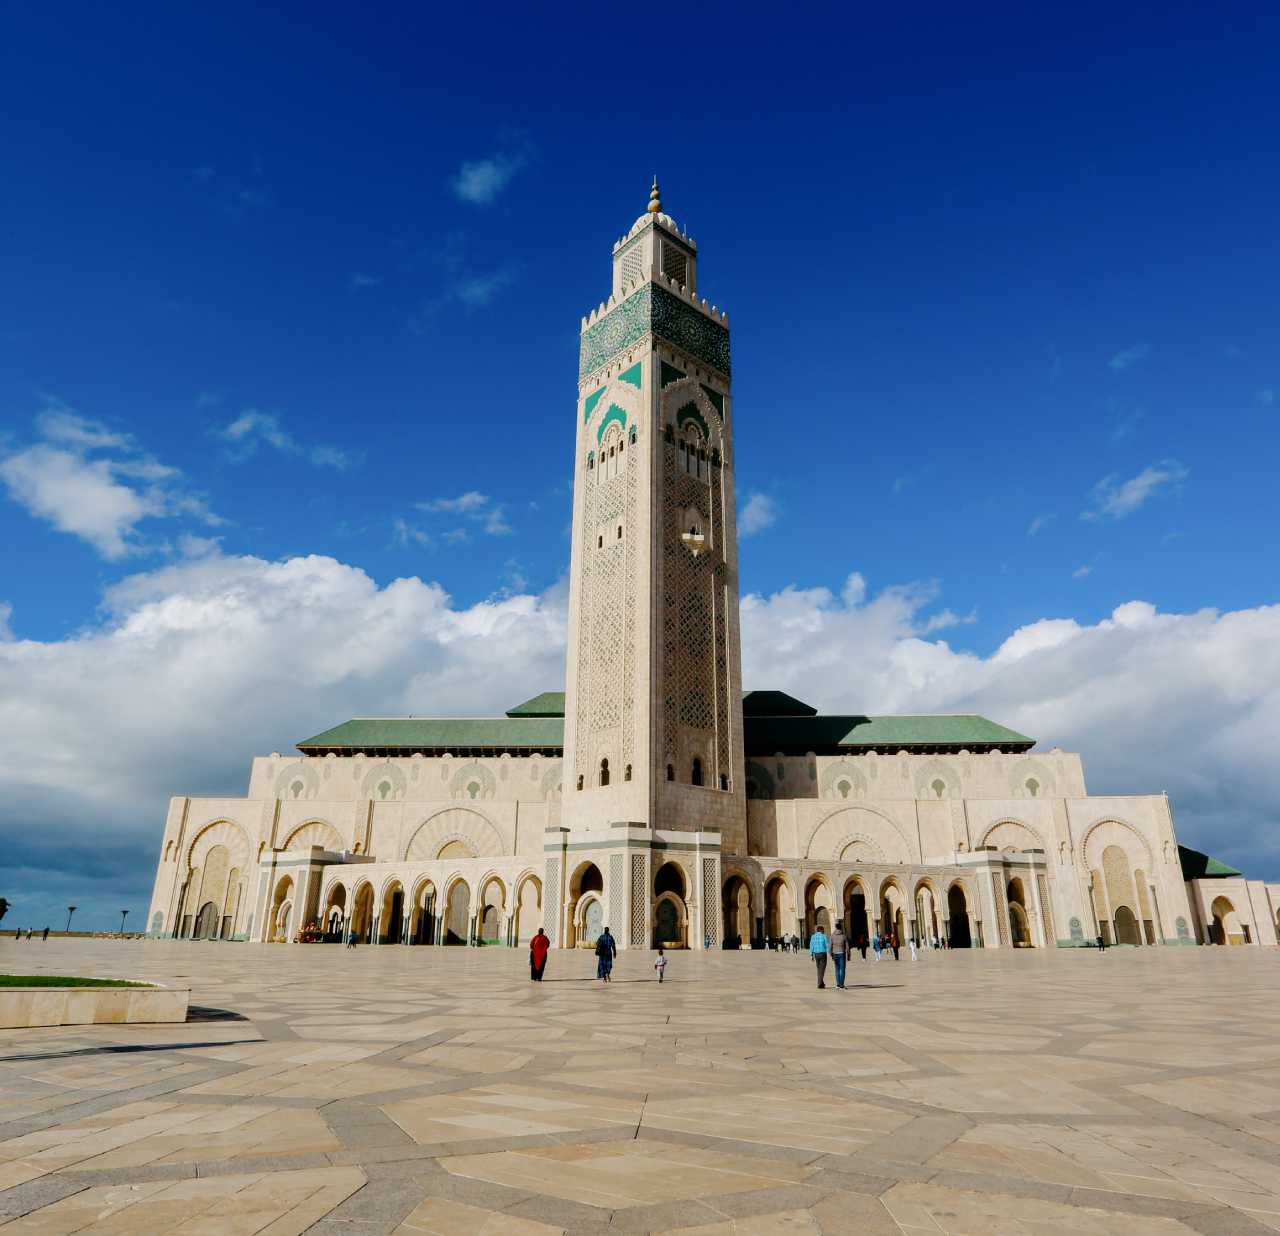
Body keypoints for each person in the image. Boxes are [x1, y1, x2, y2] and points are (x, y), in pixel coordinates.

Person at [809, 924, 830, 988]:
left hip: (816, 954)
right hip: (823, 954)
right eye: (823, 930)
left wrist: (811, 955)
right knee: (822, 969)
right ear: (821, 930)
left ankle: (822, 983)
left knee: (819, 969)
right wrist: (829, 953)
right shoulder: (824, 936)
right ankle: (819, 983)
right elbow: (827, 945)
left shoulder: (813, 936)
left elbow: (811, 946)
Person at [829, 921, 849, 989]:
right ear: (841, 928)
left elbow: (830, 946)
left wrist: (831, 954)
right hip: (842, 953)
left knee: (837, 969)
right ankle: (842, 984)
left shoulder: (832, 935)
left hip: (835, 953)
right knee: (842, 969)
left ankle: (837, 984)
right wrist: (848, 955)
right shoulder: (844, 935)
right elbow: (847, 946)